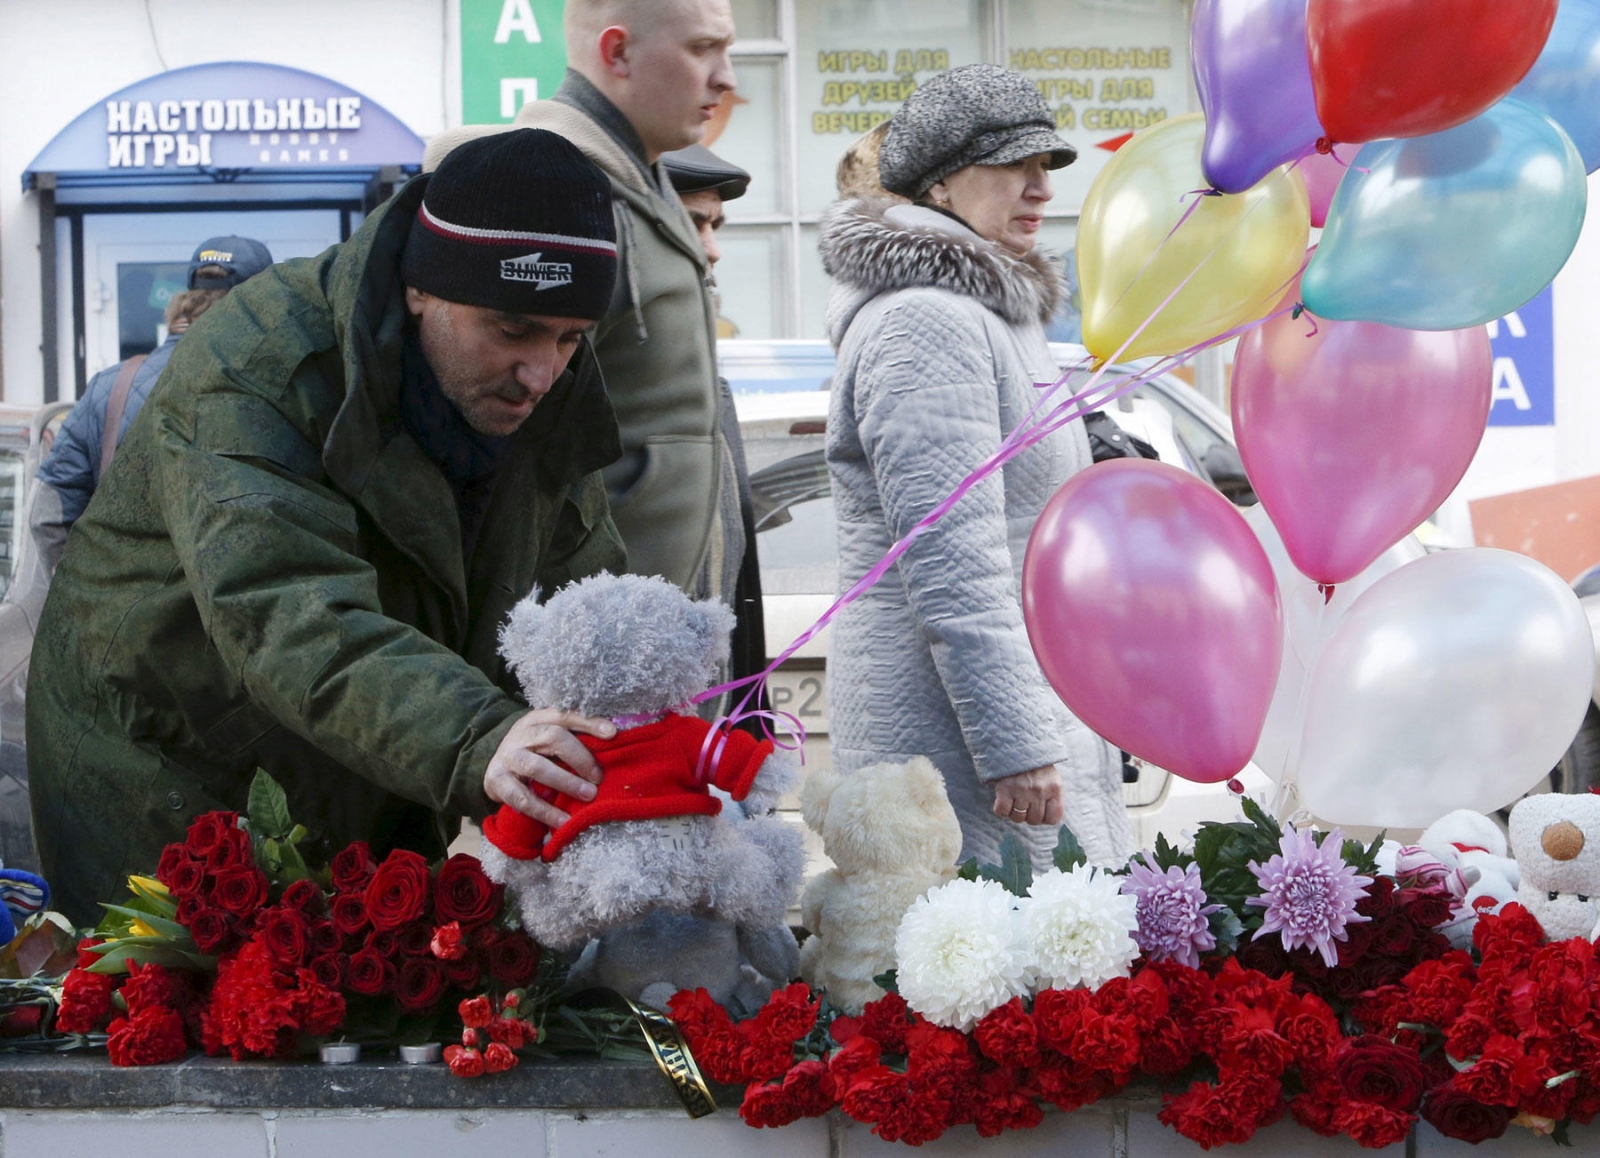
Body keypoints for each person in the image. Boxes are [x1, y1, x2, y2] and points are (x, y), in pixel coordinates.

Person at [28, 129, 630, 925]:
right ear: (420, 287)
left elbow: (580, 600)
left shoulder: (547, 392)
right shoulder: (254, 365)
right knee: (206, 1024)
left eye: (569, 338)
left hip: (365, 755)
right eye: (512, 329)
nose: (541, 374)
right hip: (157, 761)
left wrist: (641, 756)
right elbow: (281, 604)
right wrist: (482, 739)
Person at [819, 64, 1134, 869]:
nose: (1041, 190)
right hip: (954, 751)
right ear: (942, 182)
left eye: (1048, 168)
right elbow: (954, 559)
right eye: (1015, 167)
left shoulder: (990, 312)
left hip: (1010, 717)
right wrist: (1016, 743)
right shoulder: (926, 321)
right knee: (979, 974)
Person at [424, 0, 746, 622]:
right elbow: (479, 458)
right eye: (702, 49)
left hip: (643, 650)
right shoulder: (564, 203)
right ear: (617, 52)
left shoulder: (642, 186)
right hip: (585, 664)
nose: (727, 77)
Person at [30, 236, 274, 574]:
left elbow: (48, 514)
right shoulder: (278, 386)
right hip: (242, 611)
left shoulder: (111, 386)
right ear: (261, 302)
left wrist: (82, 598)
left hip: (127, 614)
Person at [659, 142, 769, 715]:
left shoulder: (703, 375)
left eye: (716, 224)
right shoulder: (598, 373)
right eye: (694, 222)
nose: (713, 250)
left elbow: (731, 573)